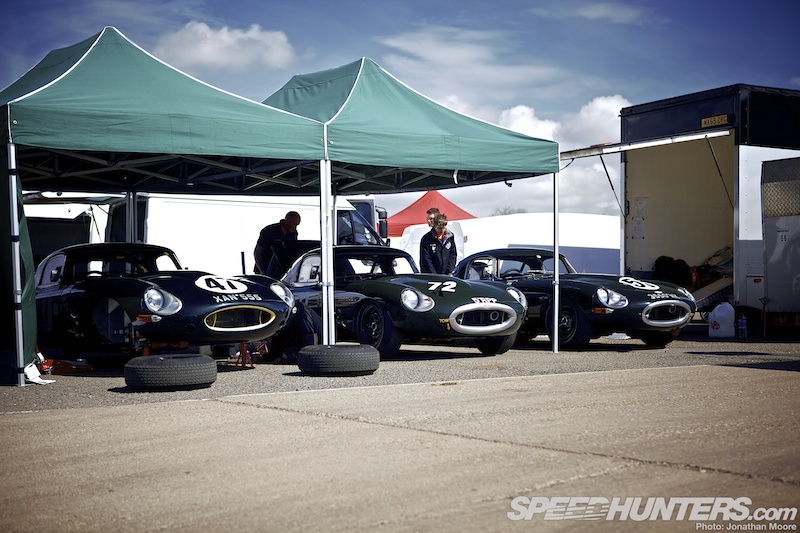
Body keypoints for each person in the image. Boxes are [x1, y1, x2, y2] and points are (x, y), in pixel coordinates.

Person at [254, 211, 301, 275]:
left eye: (297, 225)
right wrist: (262, 271)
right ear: (288, 220)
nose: (295, 227)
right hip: (264, 269)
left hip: (280, 270)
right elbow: (257, 252)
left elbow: (292, 251)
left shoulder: (293, 233)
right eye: (294, 224)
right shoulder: (269, 231)